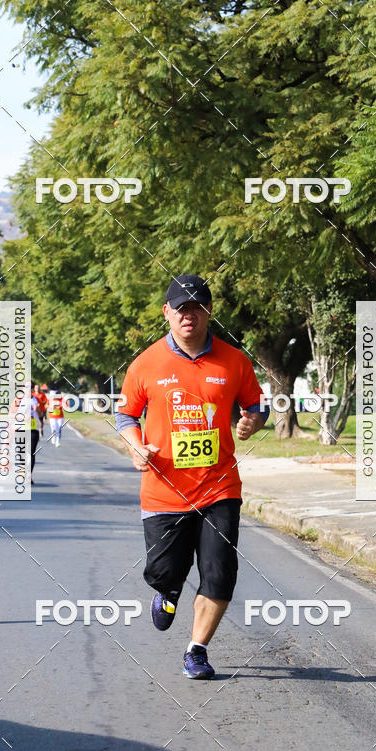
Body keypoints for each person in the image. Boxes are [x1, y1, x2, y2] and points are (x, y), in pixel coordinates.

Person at [116, 274, 268, 679]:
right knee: (165, 572)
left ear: (209, 312)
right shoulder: (146, 363)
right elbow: (126, 414)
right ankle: (167, 591)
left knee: (219, 574)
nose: (189, 315)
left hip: (220, 488)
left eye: (197, 307)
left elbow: (256, 406)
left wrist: (252, 421)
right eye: (181, 308)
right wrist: (135, 445)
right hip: (164, 491)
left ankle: (196, 650)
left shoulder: (234, 361)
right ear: (166, 312)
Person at [30, 392, 40, 484]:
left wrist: (37, 410)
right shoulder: (18, 400)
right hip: (21, 429)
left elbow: (40, 414)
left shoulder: (35, 399)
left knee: (31, 452)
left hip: (33, 429)